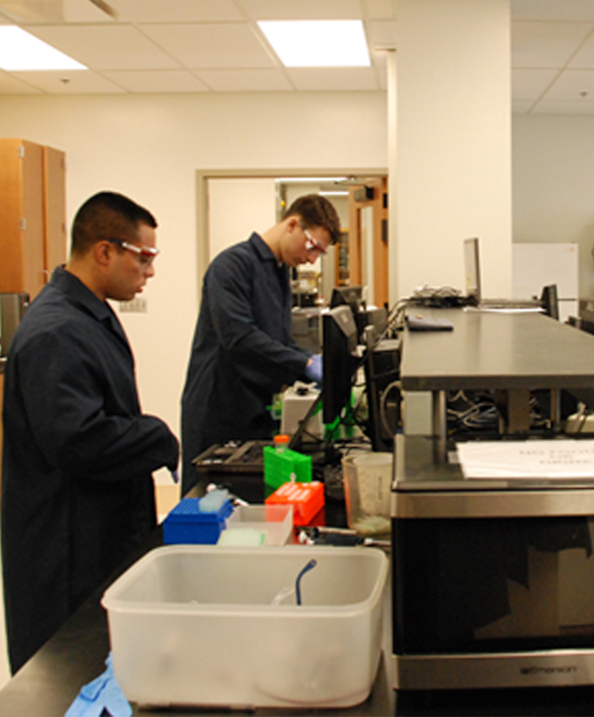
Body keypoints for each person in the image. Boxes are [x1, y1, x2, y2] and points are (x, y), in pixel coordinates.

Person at [1, 191, 180, 674]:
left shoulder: (89, 313)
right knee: (67, 678)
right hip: (65, 551)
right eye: (144, 257)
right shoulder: (56, 330)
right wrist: (157, 437)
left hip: (98, 532)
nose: (150, 271)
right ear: (105, 251)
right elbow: (78, 441)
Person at [180, 194, 341, 493]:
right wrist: (303, 364)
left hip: (252, 404)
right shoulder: (232, 265)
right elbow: (239, 337)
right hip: (218, 409)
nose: (311, 259)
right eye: (312, 247)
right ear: (292, 224)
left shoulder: (279, 271)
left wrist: (310, 359)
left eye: (320, 253)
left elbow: (275, 340)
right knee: (207, 506)